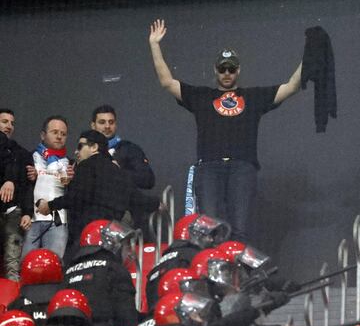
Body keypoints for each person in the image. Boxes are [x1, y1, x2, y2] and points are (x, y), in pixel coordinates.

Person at [149, 19, 303, 242]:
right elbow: (166, 82)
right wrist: (154, 44)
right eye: (223, 69)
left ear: (238, 70)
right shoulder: (201, 96)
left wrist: (309, 56)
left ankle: (237, 275)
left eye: (231, 68)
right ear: (215, 70)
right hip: (209, 167)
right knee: (209, 231)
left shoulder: (253, 97)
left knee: (240, 229)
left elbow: (292, 86)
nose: (227, 73)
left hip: (242, 167)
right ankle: (212, 275)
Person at [37, 130, 160, 259]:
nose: (76, 152)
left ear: (94, 147)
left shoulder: (86, 165)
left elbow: (77, 196)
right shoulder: (118, 172)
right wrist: (157, 203)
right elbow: (137, 199)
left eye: (80, 146)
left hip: (87, 237)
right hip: (113, 241)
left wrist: (50, 205)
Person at [64, 219, 139, 326]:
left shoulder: (67, 272)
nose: (129, 252)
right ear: (111, 246)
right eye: (126, 246)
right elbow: (128, 320)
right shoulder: (114, 269)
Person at [91, 104, 156, 238]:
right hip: (91, 216)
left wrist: (118, 172)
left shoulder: (129, 149)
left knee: (121, 254)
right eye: (102, 122)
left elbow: (148, 179)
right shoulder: (85, 150)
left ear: (116, 124)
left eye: (111, 122)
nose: (107, 126)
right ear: (93, 125)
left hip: (121, 214)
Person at [22, 115, 73, 259]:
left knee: (54, 263)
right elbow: (23, 187)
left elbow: (75, 194)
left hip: (58, 222)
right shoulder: (29, 157)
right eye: (55, 132)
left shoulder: (70, 163)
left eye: (63, 134)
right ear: (43, 135)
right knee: (25, 264)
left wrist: (72, 180)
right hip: (30, 220)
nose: (59, 137)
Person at [0, 109, 33, 281]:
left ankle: (12, 304)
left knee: (12, 264)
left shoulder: (22, 153)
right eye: (4, 121)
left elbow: (29, 187)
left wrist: (28, 212)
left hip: (14, 212)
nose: (9, 126)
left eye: (12, 123)